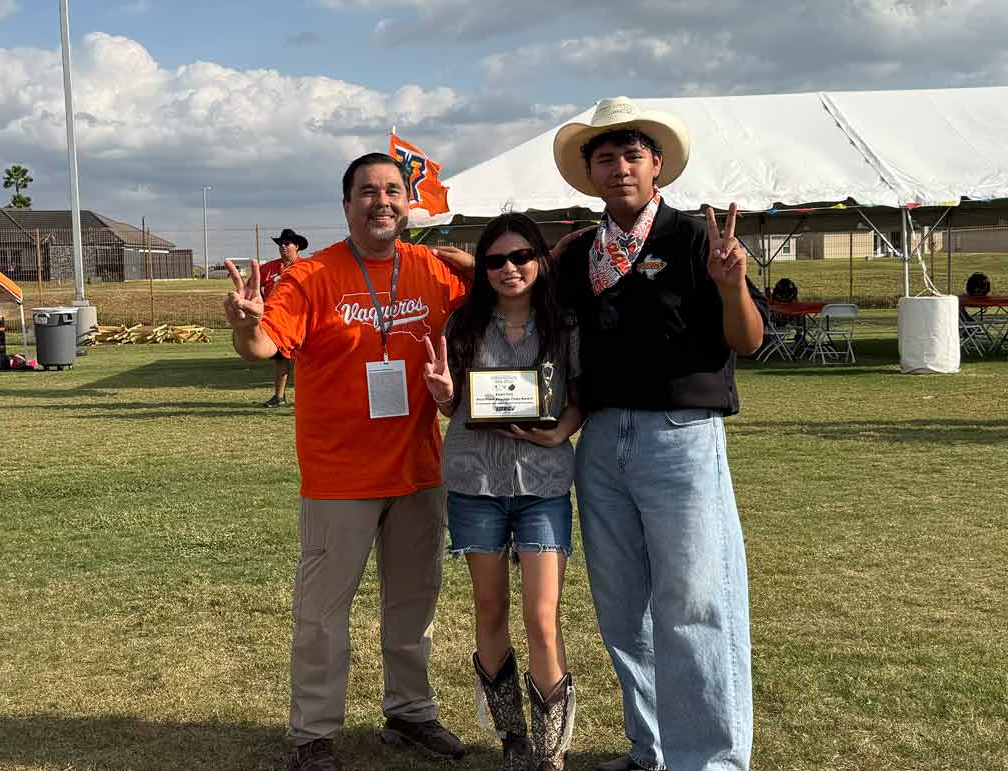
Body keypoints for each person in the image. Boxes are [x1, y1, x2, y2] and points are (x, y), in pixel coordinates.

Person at [222, 152, 474, 771]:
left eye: (392, 191)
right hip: (340, 478)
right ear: (346, 205)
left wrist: (486, 264)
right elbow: (261, 345)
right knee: (322, 613)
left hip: (419, 470)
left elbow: (508, 308)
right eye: (367, 192)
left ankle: (410, 713)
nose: (382, 201)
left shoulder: (434, 272)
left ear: (407, 203)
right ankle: (313, 731)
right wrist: (244, 324)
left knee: (415, 602)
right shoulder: (312, 276)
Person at [551, 97, 768, 771]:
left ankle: (709, 760)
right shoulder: (576, 253)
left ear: (658, 167)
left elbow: (750, 342)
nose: (619, 167)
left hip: (680, 435)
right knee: (622, 607)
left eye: (632, 155)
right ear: (589, 173)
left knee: (695, 601)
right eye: (605, 157)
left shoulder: (696, 238)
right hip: (603, 439)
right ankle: (652, 747)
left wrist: (733, 288)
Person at [421, 212, 582, 771]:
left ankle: (551, 749)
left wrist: (561, 428)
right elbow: (452, 405)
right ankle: (512, 738)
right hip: (476, 485)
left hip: (543, 486)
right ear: (482, 269)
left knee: (542, 618)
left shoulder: (564, 324)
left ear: (538, 259)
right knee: (490, 609)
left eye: (520, 257)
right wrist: (443, 393)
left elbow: (583, 391)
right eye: (495, 260)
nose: (509, 269)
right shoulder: (461, 325)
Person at [258, 228, 308, 407]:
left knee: (304, 360)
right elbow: (253, 286)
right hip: (277, 323)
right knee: (280, 358)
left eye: (287, 243)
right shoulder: (269, 269)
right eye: (281, 244)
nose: (283, 247)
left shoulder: (307, 268)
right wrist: (262, 304)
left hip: (301, 321)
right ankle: (279, 397)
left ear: (297, 247)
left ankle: (306, 396)